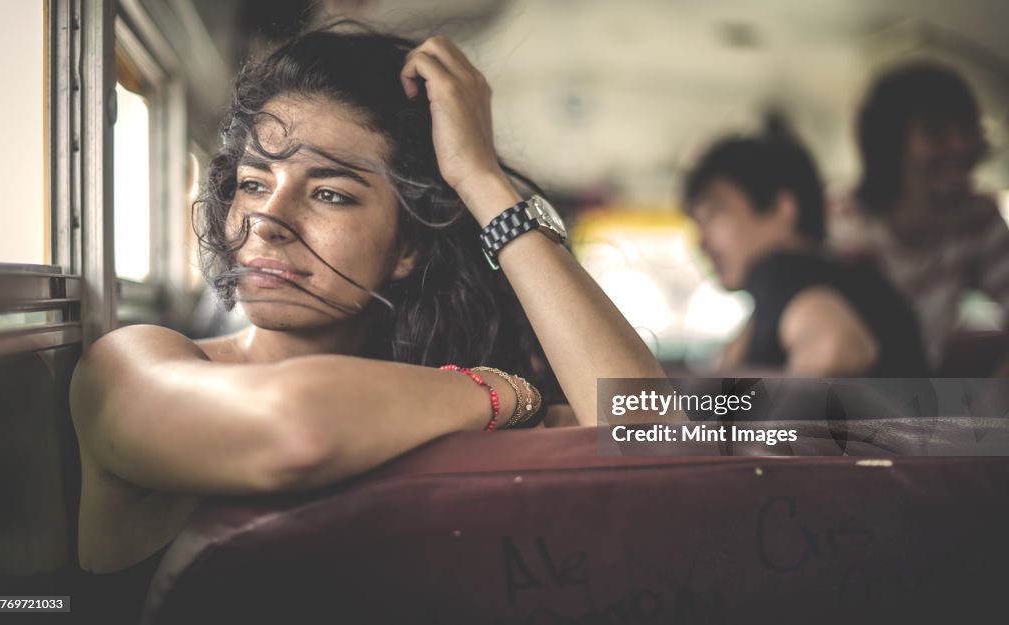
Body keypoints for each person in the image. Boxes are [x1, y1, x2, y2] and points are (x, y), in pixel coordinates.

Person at [68, 25, 665, 622]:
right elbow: (293, 430)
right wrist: (505, 389)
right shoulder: (131, 365)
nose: (268, 218)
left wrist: (481, 180)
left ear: (406, 246)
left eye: (330, 194)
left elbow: (657, 442)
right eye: (252, 184)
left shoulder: (443, 399)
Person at [684, 134, 929, 377]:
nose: (702, 241)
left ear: (781, 208)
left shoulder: (778, 272)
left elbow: (835, 349)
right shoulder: (858, 279)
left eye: (713, 215)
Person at [830, 62, 1009, 369]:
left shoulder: (977, 220)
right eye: (935, 132)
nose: (959, 146)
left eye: (966, 130)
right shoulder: (840, 221)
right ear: (890, 144)